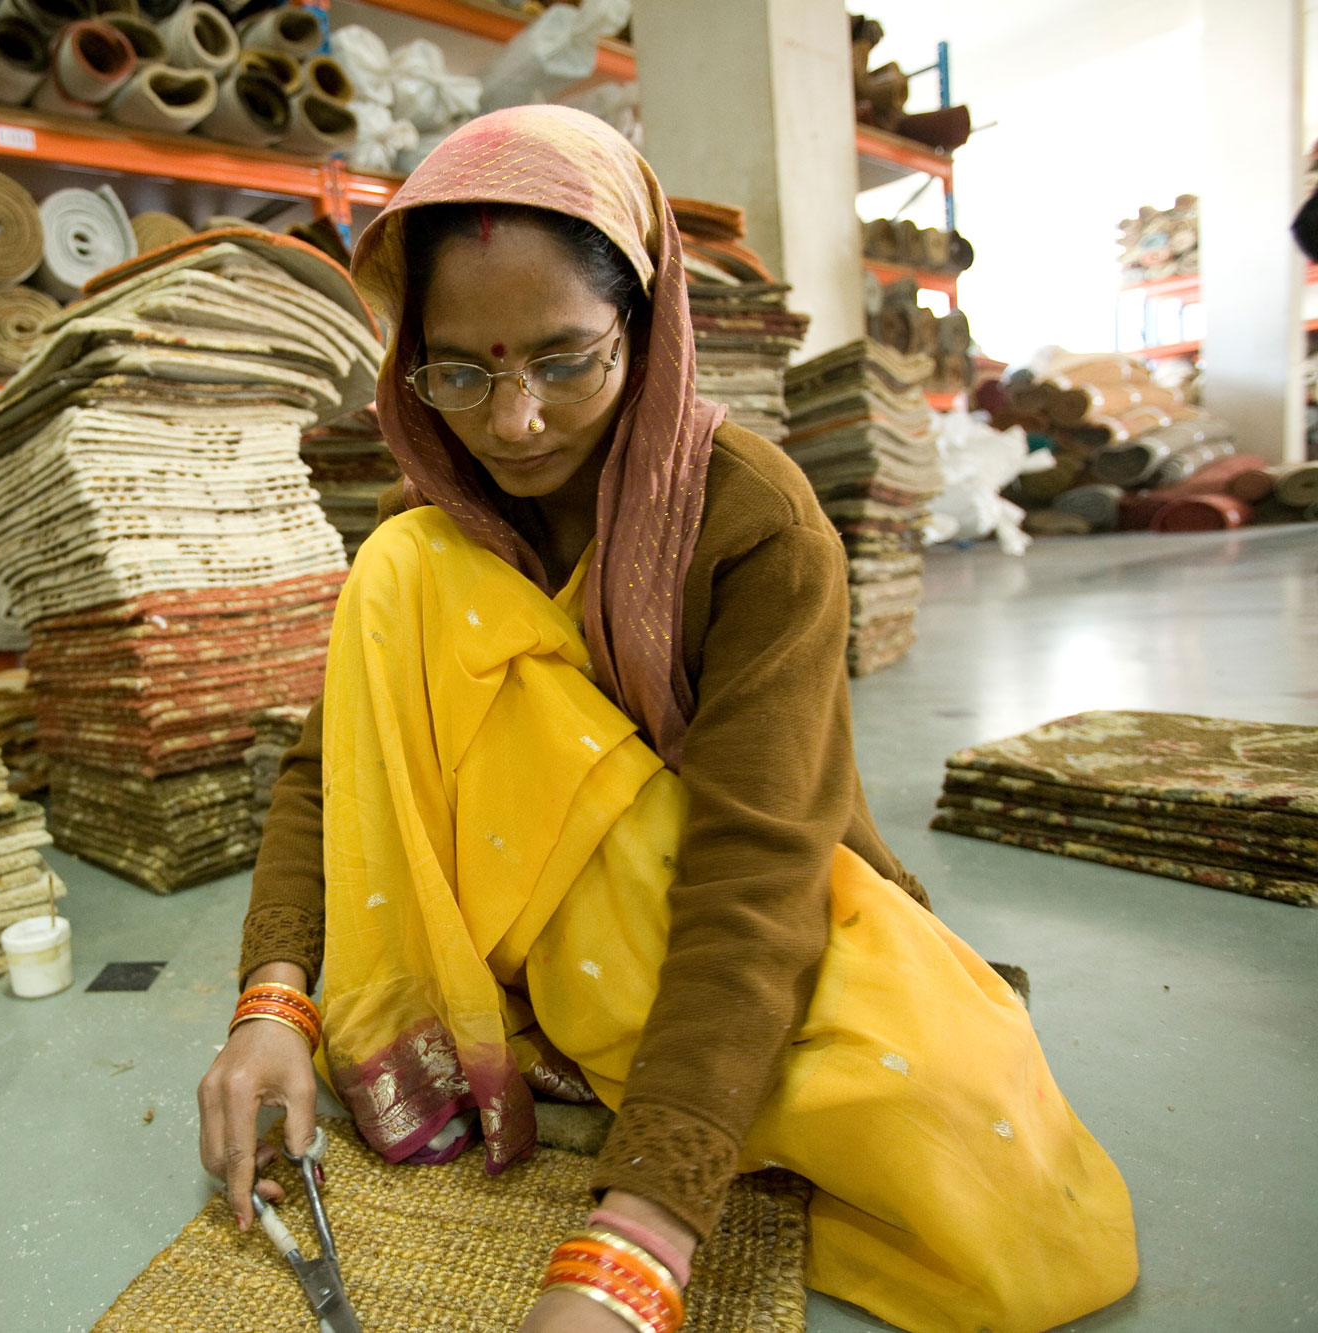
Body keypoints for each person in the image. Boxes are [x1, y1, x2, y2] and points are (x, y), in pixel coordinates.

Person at [197, 106, 1138, 1333]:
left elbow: (755, 869)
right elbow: (334, 776)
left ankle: (601, 1052)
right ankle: (555, 1028)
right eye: (460, 371)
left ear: (645, 327)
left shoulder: (755, 527)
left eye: (565, 358)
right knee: (397, 563)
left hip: (715, 910)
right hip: (518, 936)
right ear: (410, 359)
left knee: (965, 1137)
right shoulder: (424, 538)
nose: (513, 421)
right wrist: (273, 1004)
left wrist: (638, 1238)